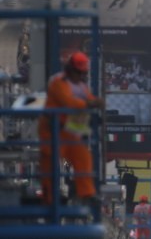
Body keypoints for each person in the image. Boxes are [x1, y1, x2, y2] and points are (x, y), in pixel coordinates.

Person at [38, 51, 105, 204]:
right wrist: (89, 104)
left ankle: (87, 193)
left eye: (82, 73)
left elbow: (89, 99)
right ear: (70, 69)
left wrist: (96, 102)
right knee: (50, 163)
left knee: (83, 158)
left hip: (69, 132)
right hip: (51, 131)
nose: (79, 75)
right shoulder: (57, 82)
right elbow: (68, 102)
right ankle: (49, 198)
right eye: (77, 72)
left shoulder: (81, 86)